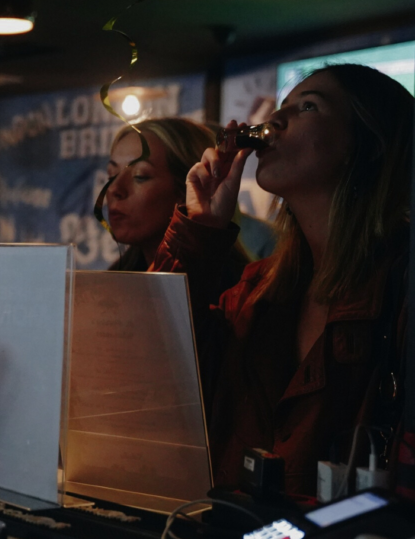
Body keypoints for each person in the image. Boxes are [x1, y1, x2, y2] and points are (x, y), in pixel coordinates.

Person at [151, 64, 413, 496]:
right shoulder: (258, 290)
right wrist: (200, 228)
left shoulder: (402, 284)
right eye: (281, 106)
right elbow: (151, 365)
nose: (272, 121)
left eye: (308, 106)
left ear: (364, 144)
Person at [105, 118, 251, 304]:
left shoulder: (236, 293)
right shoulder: (115, 281)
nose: (114, 189)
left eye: (140, 176)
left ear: (189, 190)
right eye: (111, 174)